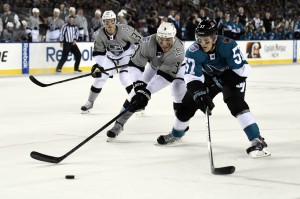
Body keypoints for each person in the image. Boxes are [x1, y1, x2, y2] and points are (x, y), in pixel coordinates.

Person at [156, 19, 271, 159]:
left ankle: (257, 139)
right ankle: (176, 134)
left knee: (236, 104)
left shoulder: (228, 45)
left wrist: (222, 81)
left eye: (206, 40)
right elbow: (192, 78)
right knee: (187, 104)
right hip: (209, 78)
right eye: (199, 39)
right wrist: (200, 94)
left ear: (215, 38)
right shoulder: (193, 51)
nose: (202, 44)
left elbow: (243, 71)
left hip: (232, 76)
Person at [106, 22, 186, 141]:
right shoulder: (147, 42)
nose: (164, 43)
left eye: (168, 40)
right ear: (157, 36)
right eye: (161, 39)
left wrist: (146, 92)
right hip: (155, 65)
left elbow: (164, 77)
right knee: (134, 92)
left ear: (174, 37)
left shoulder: (178, 50)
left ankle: (179, 130)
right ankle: (119, 124)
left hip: (178, 69)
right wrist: (139, 87)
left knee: (178, 92)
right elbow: (135, 65)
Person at [80, 10, 143, 113]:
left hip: (126, 54)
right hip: (110, 57)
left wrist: (137, 56)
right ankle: (90, 102)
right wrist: (99, 66)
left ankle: (137, 103)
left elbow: (141, 42)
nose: (110, 24)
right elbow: (98, 53)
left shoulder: (126, 29)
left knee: (124, 77)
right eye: (106, 22)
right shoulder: (99, 34)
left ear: (115, 21)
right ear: (103, 22)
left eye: (112, 21)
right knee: (100, 78)